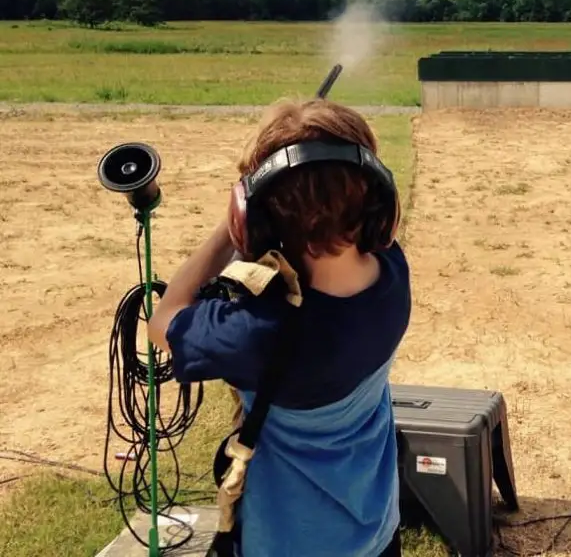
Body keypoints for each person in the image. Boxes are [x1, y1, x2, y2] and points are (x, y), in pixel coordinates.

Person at [147, 98, 412, 557]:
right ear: (379, 201)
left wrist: (228, 232)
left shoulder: (254, 333)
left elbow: (162, 322)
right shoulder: (392, 276)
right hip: (375, 527)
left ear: (253, 219)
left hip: (289, 542)